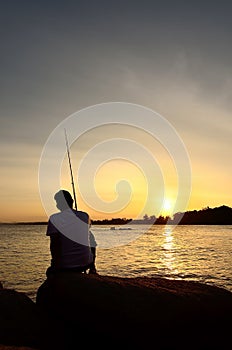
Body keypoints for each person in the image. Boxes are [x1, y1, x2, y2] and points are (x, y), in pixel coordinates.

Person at [46, 189, 97, 276]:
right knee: (90, 236)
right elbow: (89, 238)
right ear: (72, 201)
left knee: (49, 272)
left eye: (57, 202)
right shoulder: (85, 215)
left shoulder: (54, 218)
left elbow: (54, 245)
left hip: (66, 266)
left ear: (59, 204)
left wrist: (55, 264)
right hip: (86, 264)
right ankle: (93, 267)